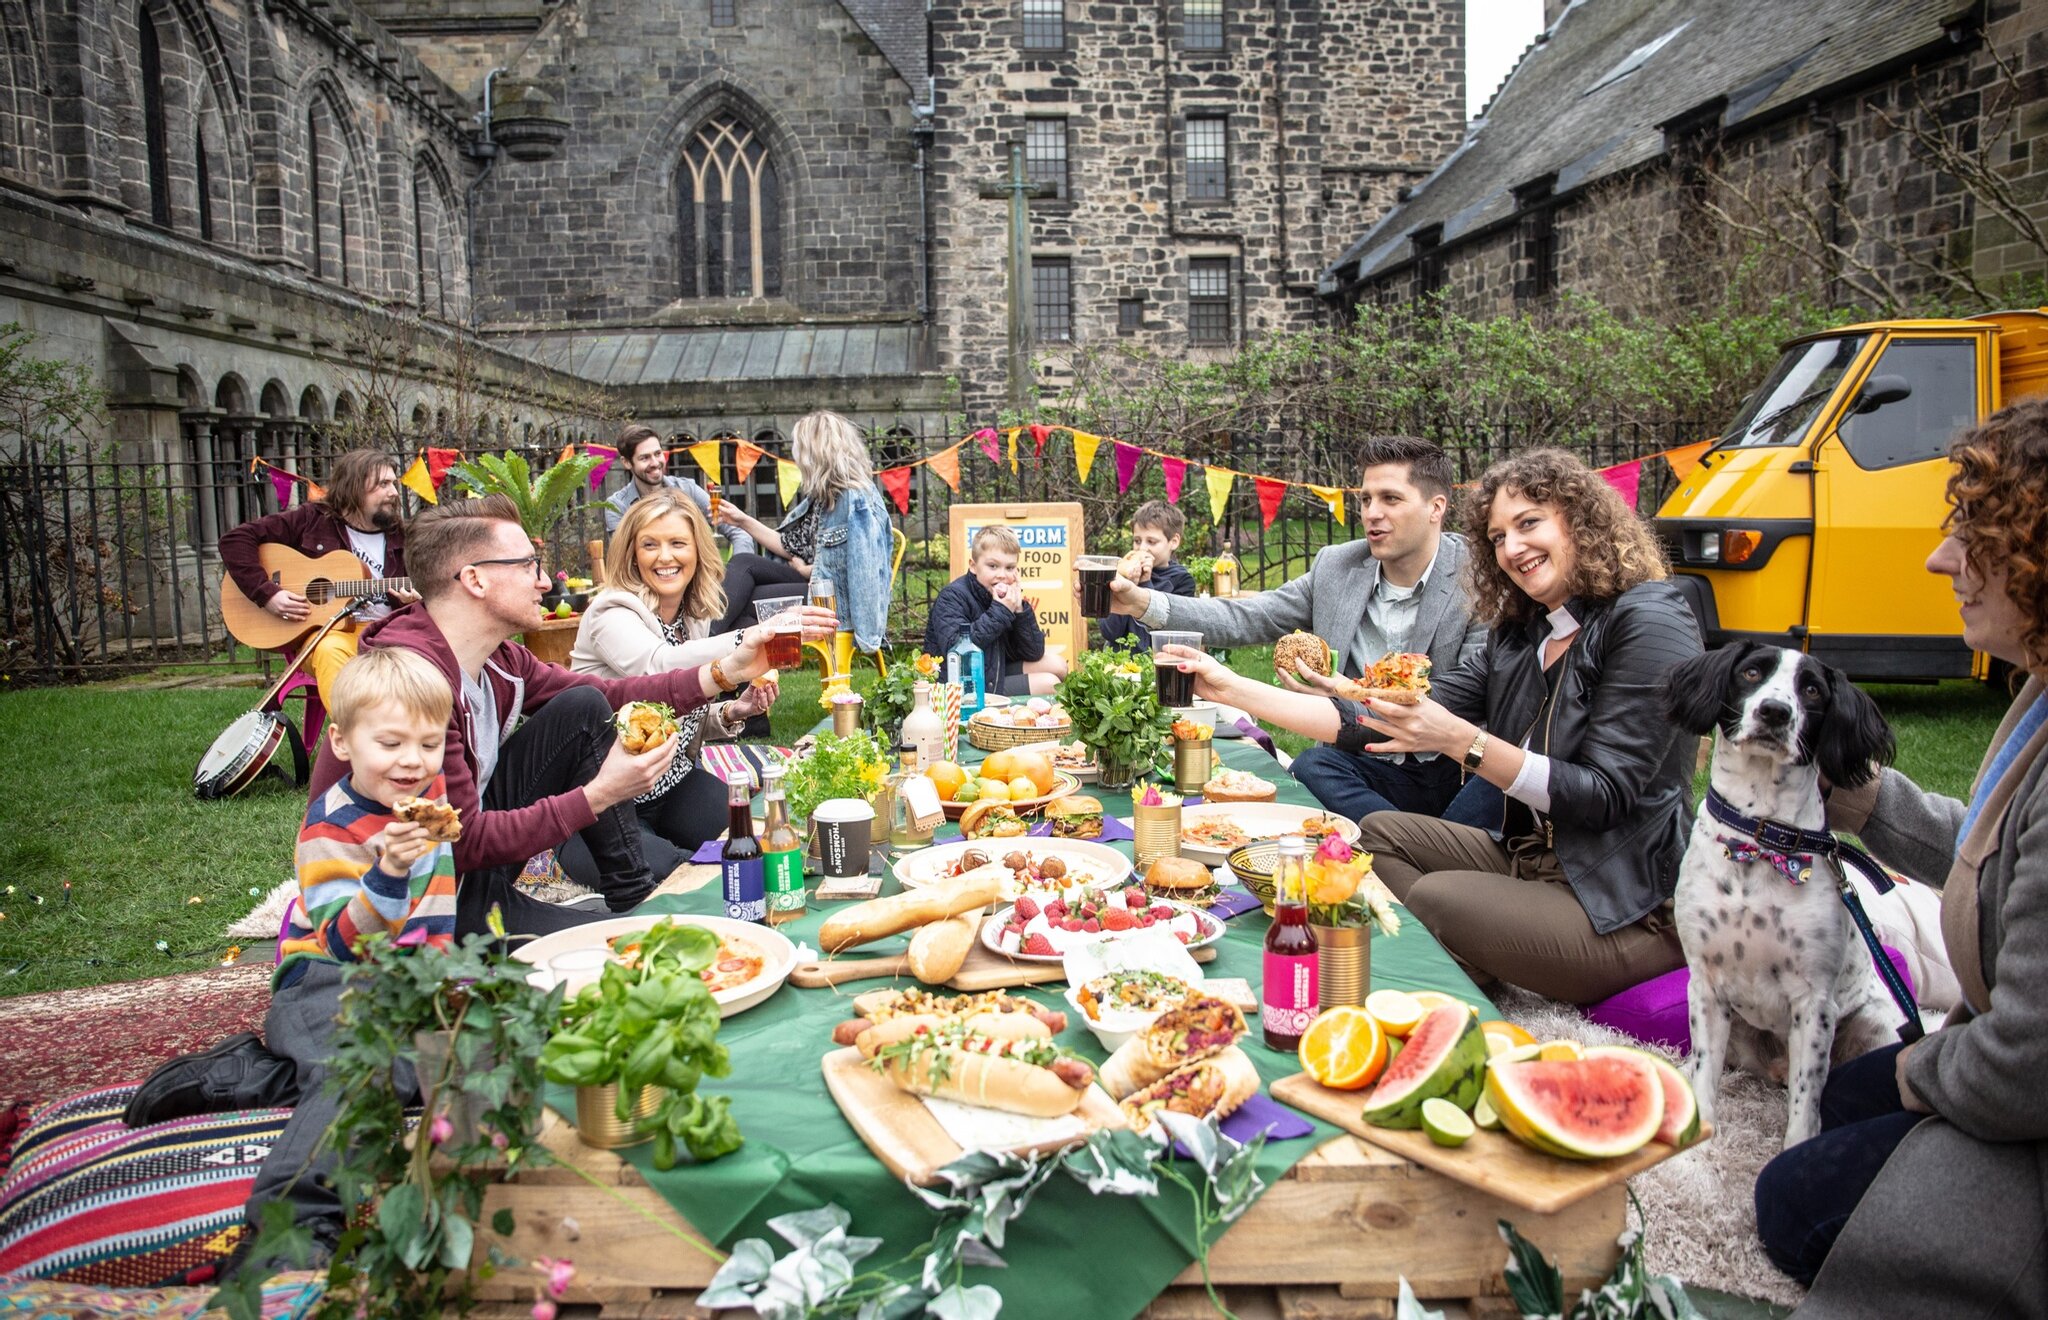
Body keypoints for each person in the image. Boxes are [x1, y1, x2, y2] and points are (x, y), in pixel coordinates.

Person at [1163, 448, 1701, 1003]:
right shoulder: (1521, 632)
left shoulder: (1649, 618)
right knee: (1368, 836)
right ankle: (1470, 957)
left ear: (1581, 520)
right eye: (1497, 537)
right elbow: (1386, 716)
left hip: (1624, 903)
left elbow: (1605, 795)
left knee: (1437, 898)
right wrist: (1228, 686)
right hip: (1529, 860)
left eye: (1528, 524)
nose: (1512, 549)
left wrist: (1462, 743)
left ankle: (1445, 951)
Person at [1752, 399, 2048, 1314]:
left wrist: (1916, 1073)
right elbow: (1999, 852)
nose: (1940, 559)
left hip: (2023, 1085)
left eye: (1976, 534)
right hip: (2000, 1057)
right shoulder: (2039, 690)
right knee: (1844, 1101)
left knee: (1790, 1201)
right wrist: (1869, 803)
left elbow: (2029, 1064)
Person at [311, 493, 776, 937]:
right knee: (628, 949)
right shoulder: (408, 686)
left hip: (473, 876)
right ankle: (633, 907)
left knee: (584, 707)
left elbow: (608, 695)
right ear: (475, 579)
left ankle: (634, 894)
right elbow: (463, 842)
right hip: (417, 911)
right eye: (527, 566)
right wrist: (597, 795)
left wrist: (723, 672)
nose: (545, 581)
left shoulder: (499, 658)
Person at [1108, 436, 1490, 825]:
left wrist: (1343, 689)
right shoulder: (1336, 567)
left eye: (1391, 499)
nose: (1372, 513)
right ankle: (1411, 842)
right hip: (1354, 759)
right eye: (1366, 499)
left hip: (1443, 766)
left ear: (1435, 508)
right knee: (1311, 767)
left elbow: (1459, 699)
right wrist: (1141, 602)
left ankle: (1405, 844)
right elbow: (1249, 616)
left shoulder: (1476, 579)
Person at [235, 647, 456, 1265]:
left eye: (429, 743)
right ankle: (290, 1226)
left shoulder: (427, 799)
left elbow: (436, 916)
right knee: (358, 1074)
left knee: (445, 1058)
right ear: (342, 740)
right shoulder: (328, 828)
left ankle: (255, 1072)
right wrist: (388, 870)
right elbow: (341, 942)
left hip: (402, 980)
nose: (413, 761)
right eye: (390, 744)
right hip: (326, 980)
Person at [569, 490, 832, 876]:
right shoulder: (612, 610)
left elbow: (670, 710)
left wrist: (731, 711)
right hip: (605, 799)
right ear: (631, 554)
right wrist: (749, 639)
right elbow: (657, 671)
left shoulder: (690, 616)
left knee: (756, 844)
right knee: (671, 879)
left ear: (697, 551)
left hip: (672, 783)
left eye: (678, 543)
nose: (665, 557)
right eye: (650, 545)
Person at [217, 449, 420, 710]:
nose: (394, 492)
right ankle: (355, 735)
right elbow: (235, 540)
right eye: (383, 484)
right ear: (354, 488)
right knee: (328, 650)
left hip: (388, 632)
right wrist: (267, 593)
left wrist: (411, 603)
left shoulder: (405, 536)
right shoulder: (312, 520)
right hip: (328, 633)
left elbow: (422, 601)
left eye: (394, 483)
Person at [712, 410, 894, 653]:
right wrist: (741, 520)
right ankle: (720, 671)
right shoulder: (823, 496)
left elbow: (864, 568)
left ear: (815, 452)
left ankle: (703, 647)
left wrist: (806, 569)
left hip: (835, 603)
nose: (794, 455)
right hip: (816, 587)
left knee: (747, 599)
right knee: (744, 564)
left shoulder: (855, 499)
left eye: (798, 448)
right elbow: (790, 545)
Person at [925, 525, 1070, 696]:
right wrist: (1001, 610)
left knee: (1058, 665)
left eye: (1009, 568)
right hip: (963, 684)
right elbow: (957, 650)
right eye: (993, 566)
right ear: (973, 566)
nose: (1002, 575)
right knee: (1050, 683)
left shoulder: (1003, 598)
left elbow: (1033, 652)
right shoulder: (953, 596)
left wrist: (1019, 611)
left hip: (995, 668)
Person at [602, 424, 756, 554]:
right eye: (645, 458)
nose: (655, 462)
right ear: (627, 463)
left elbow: (739, 532)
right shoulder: (617, 506)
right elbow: (623, 558)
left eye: (657, 454)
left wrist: (737, 573)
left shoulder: (688, 489)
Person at [1098, 500, 1199, 651]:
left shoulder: (1182, 581)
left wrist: (1144, 585)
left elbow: (1159, 642)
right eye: (1137, 541)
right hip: (1118, 664)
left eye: (1151, 542)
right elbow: (1110, 632)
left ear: (1174, 542)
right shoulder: (1120, 575)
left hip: (1155, 665)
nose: (1143, 548)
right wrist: (1125, 584)